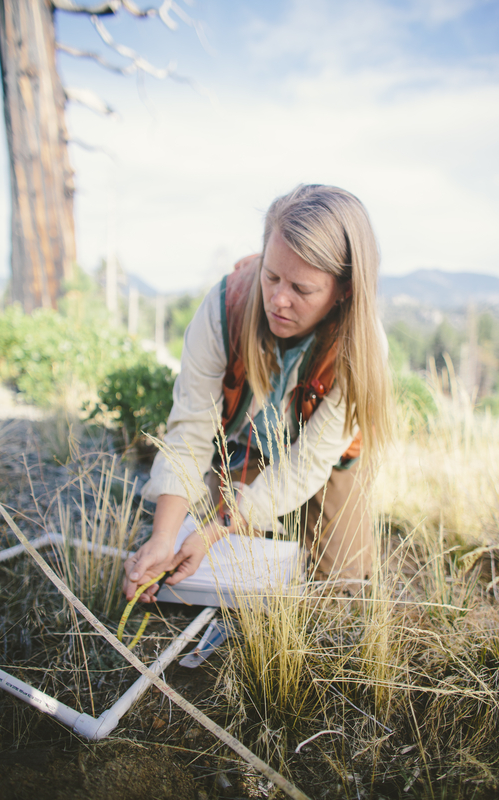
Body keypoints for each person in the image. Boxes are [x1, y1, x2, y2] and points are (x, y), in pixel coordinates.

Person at [123, 184, 391, 603]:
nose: (278, 300)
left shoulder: (362, 343)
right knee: (235, 576)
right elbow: (190, 430)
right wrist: (165, 536)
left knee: (340, 588)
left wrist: (217, 527)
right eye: (271, 276)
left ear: (345, 290)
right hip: (246, 448)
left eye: (302, 290)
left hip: (326, 461)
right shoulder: (223, 306)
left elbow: (310, 462)